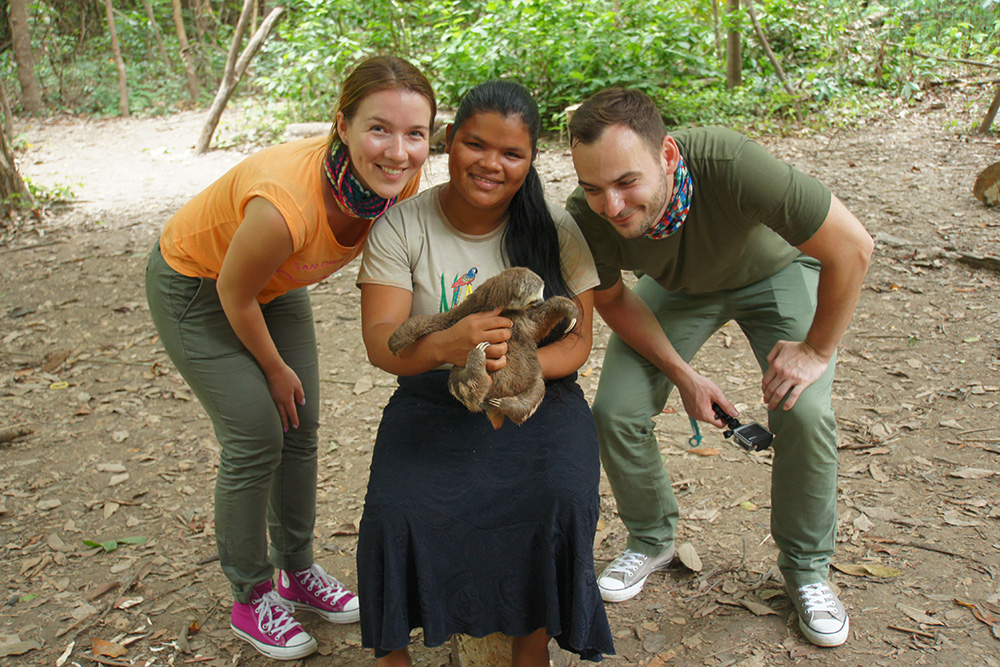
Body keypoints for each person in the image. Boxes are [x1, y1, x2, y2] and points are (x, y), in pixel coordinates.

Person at [144, 56, 436, 661]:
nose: (399, 151)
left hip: (272, 287)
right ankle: (250, 595)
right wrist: (275, 369)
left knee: (298, 425)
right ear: (342, 124)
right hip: (200, 287)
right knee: (256, 433)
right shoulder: (287, 203)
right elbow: (233, 291)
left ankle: (295, 572)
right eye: (379, 129)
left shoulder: (398, 179)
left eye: (416, 133)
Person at [565, 88, 873, 648]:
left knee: (801, 412)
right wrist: (684, 374)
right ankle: (652, 536)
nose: (610, 205)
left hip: (773, 273)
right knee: (616, 408)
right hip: (680, 291)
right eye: (593, 188)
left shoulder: (731, 165)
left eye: (626, 182)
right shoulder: (585, 217)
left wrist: (816, 350)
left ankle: (806, 570)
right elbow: (611, 300)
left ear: (667, 157)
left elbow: (851, 247)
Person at [356, 80, 615, 666]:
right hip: (433, 393)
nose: (491, 164)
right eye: (476, 145)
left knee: (559, 498)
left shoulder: (555, 228)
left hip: (537, 393)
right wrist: (448, 345)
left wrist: (515, 381)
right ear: (450, 142)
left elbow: (578, 342)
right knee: (396, 511)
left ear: (531, 159)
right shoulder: (402, 227)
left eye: (512, 153)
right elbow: (381, 343)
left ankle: (530, 644)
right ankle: (391, 652)